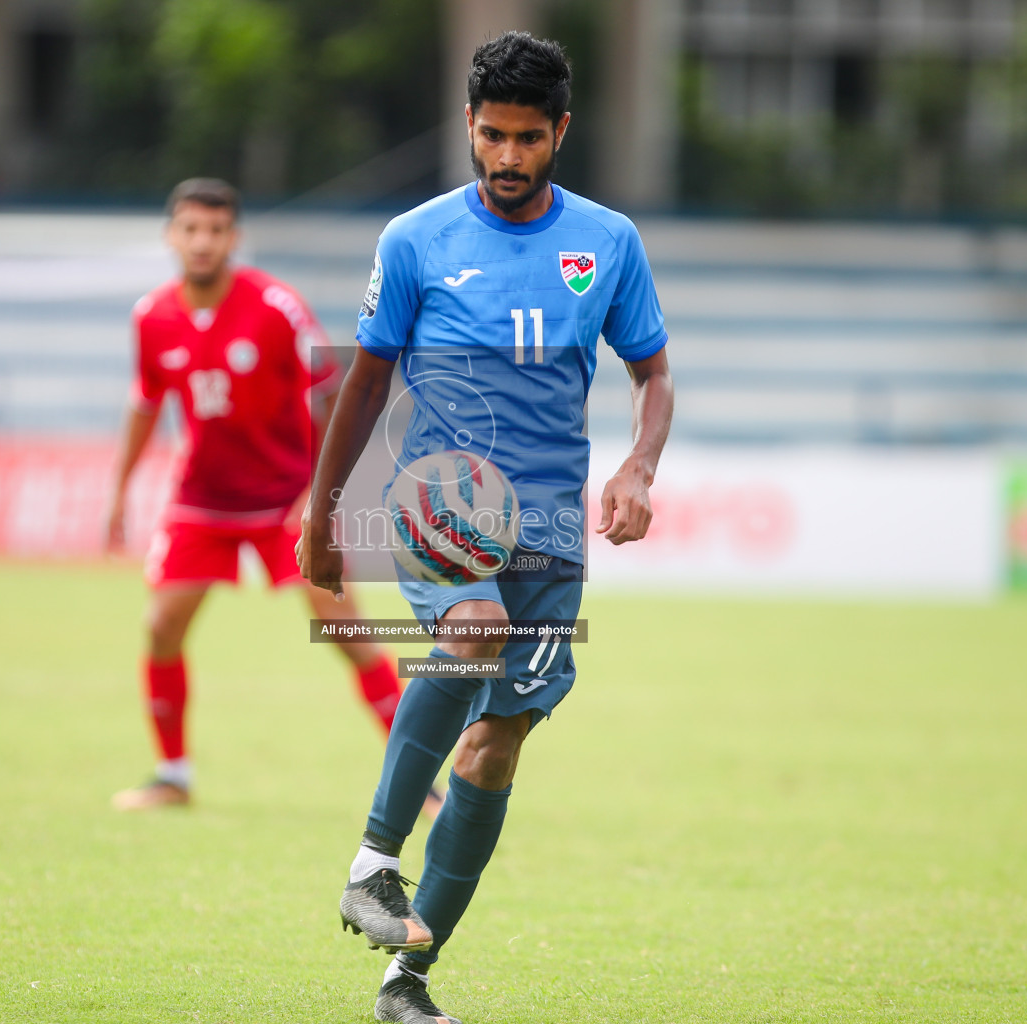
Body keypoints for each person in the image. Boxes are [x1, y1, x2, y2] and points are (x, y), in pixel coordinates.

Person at [298, 32, 675, 1024]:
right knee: (469, 632)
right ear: (468, 126)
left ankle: (406, 982)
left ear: (560, 133)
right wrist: (326, 508)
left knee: (495, 749)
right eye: (492, 135)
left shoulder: (610, 243)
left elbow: (653, 372)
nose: (507, 156)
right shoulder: (416, 239)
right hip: (442, 495)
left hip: (552, 527)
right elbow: (368, 378)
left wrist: (639, 465)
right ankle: (374, 859)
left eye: (527, 139)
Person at [105, 178, 442, 819]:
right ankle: (173, 776)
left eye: (216, 230)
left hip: (287, 501)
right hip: (200, 503)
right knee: (160, 628)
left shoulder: (277, 307)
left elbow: (330, 395)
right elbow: (146, 405)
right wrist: (119, 491)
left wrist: (322, 495)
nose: (202, 242)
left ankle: (422, 783)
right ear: (171, 236)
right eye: (190, 229)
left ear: (235, 238)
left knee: (344, 631)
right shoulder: (152, 317)